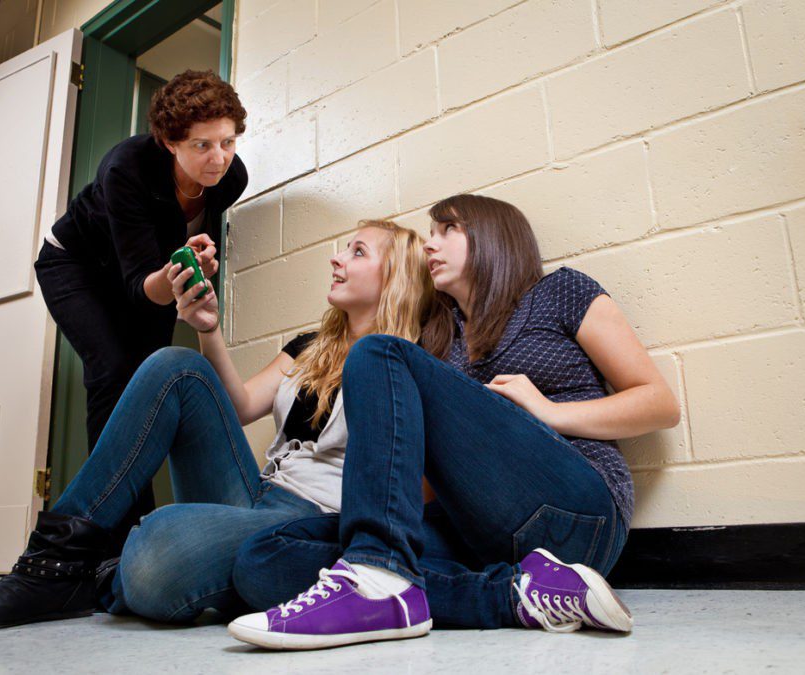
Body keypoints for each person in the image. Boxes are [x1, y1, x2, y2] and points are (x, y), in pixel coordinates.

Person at [0, 220, 434, 631]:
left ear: (396, 278)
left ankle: (109, 576)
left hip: (314, 518)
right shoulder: (308, 346)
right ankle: (52, 562)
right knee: (176, 365)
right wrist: (208, 330)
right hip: (258, 491)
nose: (337, 258)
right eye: (344, 249)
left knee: (156, 549)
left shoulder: (407, 365)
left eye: (358, 252)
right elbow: (237, 408)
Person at [225, 194, 681, 650]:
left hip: (575, 511)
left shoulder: (558, 293)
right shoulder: (439, 339)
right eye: (430, 233)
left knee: (377, 351)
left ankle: (378, 574)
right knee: (262, 559)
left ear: (492, 237)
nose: (430, 245)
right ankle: (515, 596)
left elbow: (659, 404)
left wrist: (548, 411)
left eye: (447, 230)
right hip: (484, 536)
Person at [33, 69, 248, 531]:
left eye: (228, 142)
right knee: (112, 370)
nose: (219, 158)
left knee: (152, 378)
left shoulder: (231, 178)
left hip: (148, 270)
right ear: (170, 142)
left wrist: (195, 261)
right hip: (76, 265)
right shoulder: (125, 167)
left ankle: (143, 530)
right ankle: (105, 533)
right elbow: (139, 284)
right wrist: (174, 272)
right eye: (202, 145)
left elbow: (174, 249)